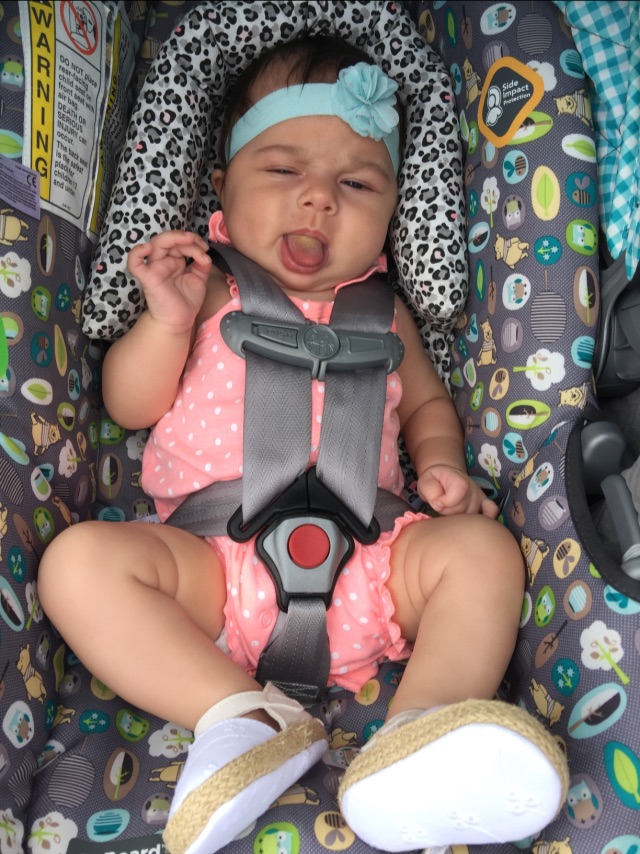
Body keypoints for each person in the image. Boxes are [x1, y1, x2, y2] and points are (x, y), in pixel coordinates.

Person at [39, 34, 568, 854]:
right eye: (284, 170)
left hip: (377, 560)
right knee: (76, 565)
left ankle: (418, 734)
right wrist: (167, 322)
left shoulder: (385, 313)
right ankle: (240, 717)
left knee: (483, 554)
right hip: (209, 569)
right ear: (223, 187)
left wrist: (440, 465)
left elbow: (428, 404)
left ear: (392, 212)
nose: (319, 198)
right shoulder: (204, 288)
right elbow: (128, 404)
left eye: (357, 183)